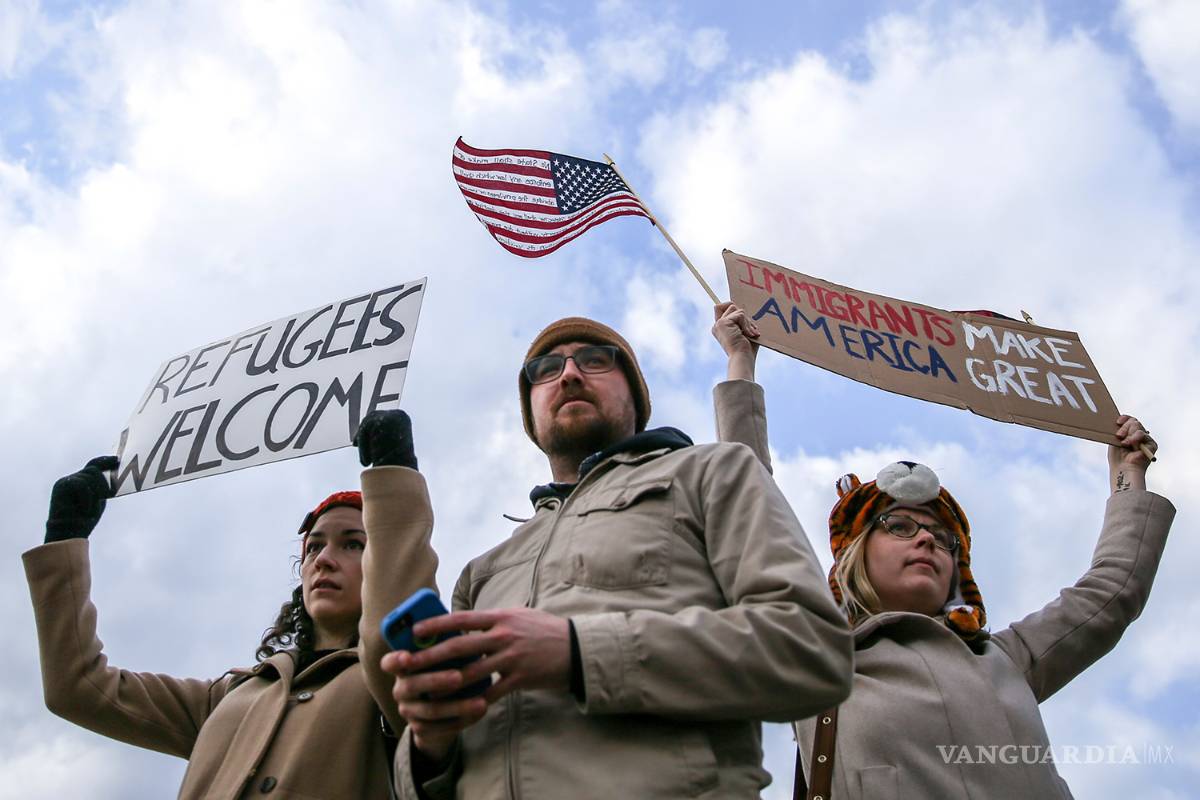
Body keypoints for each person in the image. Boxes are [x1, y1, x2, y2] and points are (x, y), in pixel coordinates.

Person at [711, 302, 1176, 798]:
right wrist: (741, 361)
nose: (927, 538)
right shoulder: (812, 658)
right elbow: (752, 506)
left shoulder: (1007, 658)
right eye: (899, 526)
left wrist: (1127, 473)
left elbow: (1113, 589)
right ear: (855, 554)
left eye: (943, 536)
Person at [381, 317, 854, 799]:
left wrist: (580, 652)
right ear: (530, 413)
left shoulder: (710, 473)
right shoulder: (482, 572)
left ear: (637, 398)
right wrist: (429, 745)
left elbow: (811, 645)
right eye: (546, 369)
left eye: (594, 359)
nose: (568, 375)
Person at [24, 410, 436, 799]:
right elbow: (76, 688)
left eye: (353, 544)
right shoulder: (229, 697)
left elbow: (397, 637)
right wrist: (65, 535)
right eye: (313, 547)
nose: (324, 559)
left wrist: (393, 475)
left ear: (383, 558)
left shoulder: (403, 682)